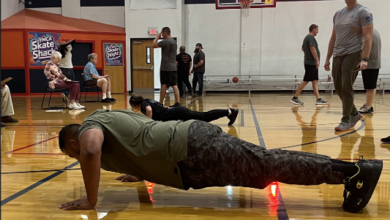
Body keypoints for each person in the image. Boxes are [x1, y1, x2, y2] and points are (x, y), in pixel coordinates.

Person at [58, 109, 383, 213]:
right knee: (269, 162)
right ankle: (349, 171)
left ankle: (354, 172)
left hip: (191, 152)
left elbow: (90, 150)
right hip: (190, 145)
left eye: (71, 154)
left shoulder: (89, 128)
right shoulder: (107, 116)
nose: (79, 159)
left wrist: (90, 199)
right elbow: (141, 133)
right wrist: (139, 170)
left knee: (268, 166)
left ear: (72, 141)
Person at [324, 0, 373, 131]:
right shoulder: (338, 13)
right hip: (337, 54)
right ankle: (355, 113)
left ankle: (346, 120)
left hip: (353, 53)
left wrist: (365, 59)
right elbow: (333, 38)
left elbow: (368, 37)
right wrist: (328, 58)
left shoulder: (363, 12)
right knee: (338, 87)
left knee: (346, 86)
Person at [129, 95, 239, 125]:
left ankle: (229, 112)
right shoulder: (148, 100)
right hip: (176, 111)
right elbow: (163, 107)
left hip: (177, 113)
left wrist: (148, 123)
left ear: (135, 105)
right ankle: (228, 112)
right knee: (202, 117)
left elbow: (149, 110)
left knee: (203, 117)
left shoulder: (144, 105)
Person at [291, 24, 327, 106]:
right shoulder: (310, 37)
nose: (318, 31)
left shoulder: (306, 38)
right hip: (311, 63)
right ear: (313, 29)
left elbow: (303, 48)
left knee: (315, 81)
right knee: (306, 80)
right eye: (317, 29)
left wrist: (308, 55)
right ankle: (295, 97)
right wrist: (317, 60)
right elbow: (312, 48)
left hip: (310, 62)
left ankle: (318, 99)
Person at [152, 27, 180, 106]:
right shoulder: (174, 42)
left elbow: (153, 45)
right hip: (173, 67)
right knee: (174, 85)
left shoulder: (165, 41)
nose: (161, 35)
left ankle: (161, 103)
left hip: (165, 67)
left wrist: (157, 37)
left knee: (164, 84)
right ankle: (178, 102)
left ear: (164, 33)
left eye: (162, 33)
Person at [359, 29, 381, 114]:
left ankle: (368, 107)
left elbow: (365, 48)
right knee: (371, 86)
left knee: (370, 86)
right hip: (373, 63)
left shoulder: (368, 34)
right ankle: (368, 105)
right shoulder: (375, 32)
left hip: (370, 63)